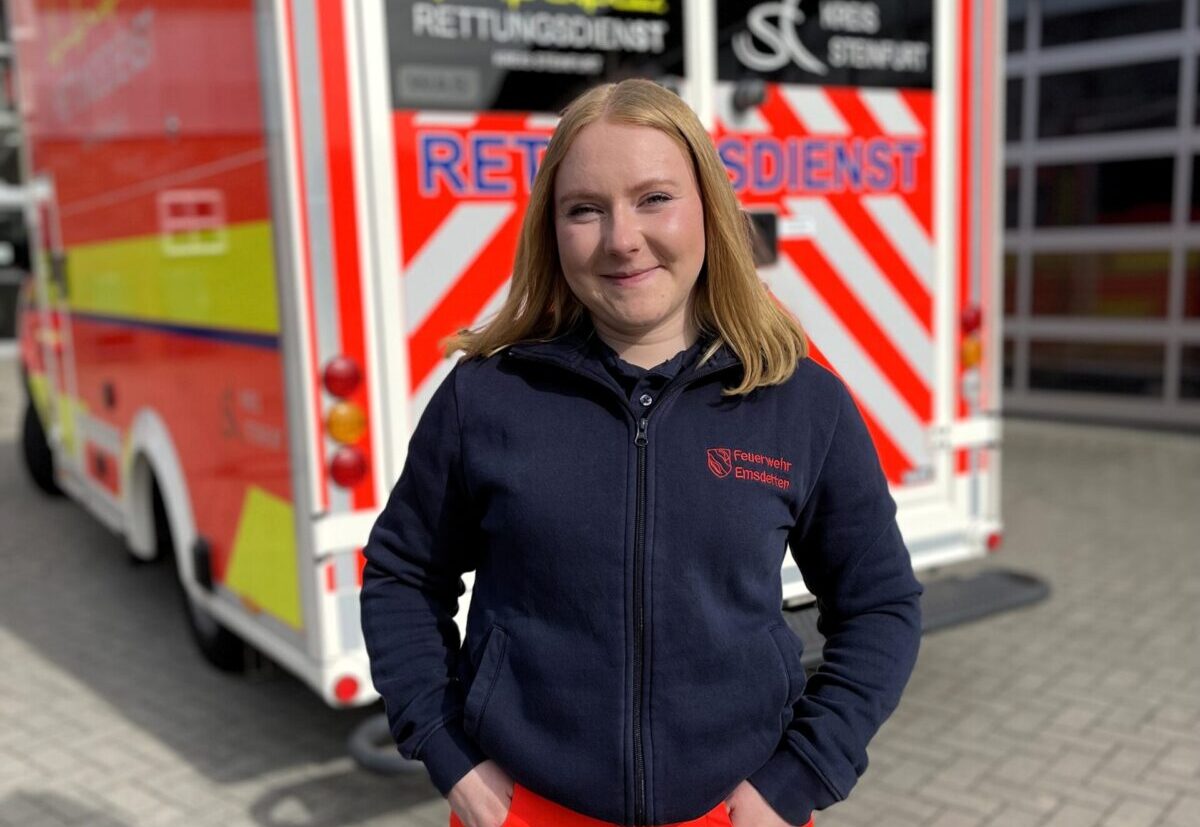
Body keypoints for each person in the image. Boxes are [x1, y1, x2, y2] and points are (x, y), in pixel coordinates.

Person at [360, 78, 924, 827]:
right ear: (551, 230)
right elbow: (402, 576)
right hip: (525, 812)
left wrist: (803, 775)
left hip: (733, 816)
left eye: (654, 198)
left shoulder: (801, 404)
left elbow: (880, 605)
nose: (621, 239)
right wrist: (445, 748)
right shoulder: (485, 398)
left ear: (709, 209)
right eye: (584, 209)